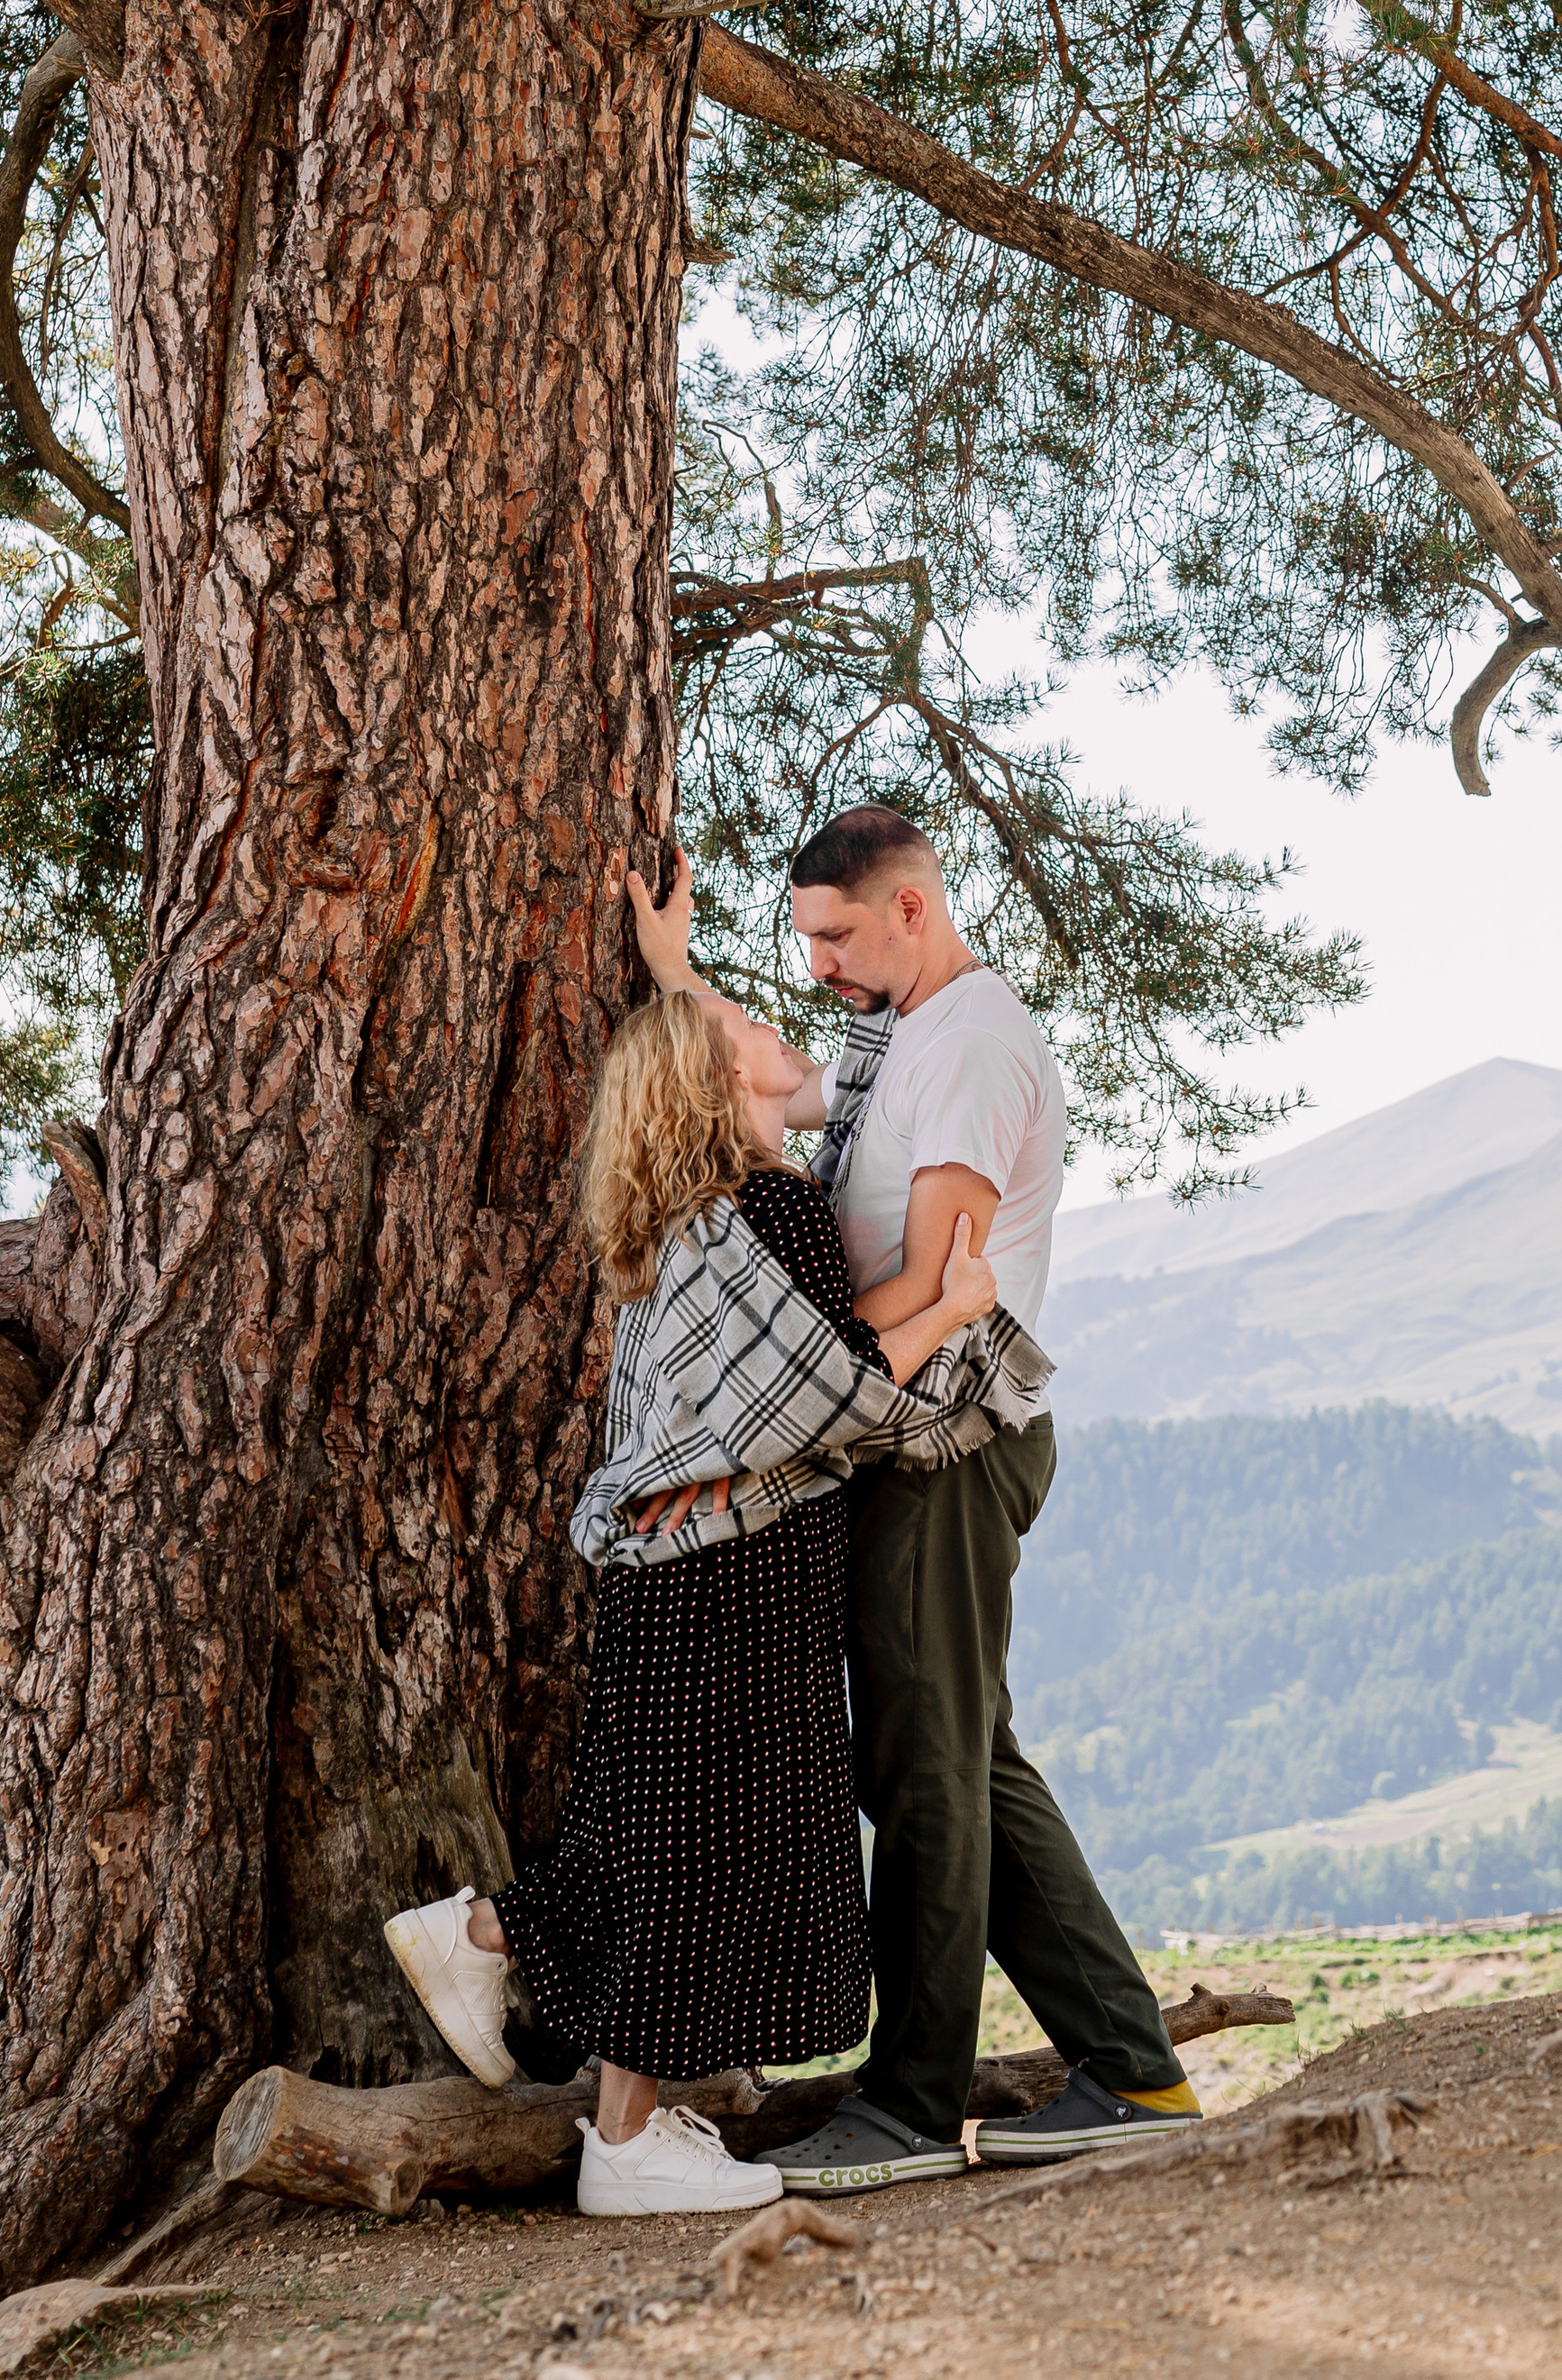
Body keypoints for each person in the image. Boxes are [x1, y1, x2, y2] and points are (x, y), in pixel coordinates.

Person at [380, 984, 1049, 2218]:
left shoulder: (688, 1225)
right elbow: (823, 1388)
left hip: (668, 1572)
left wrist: (670, 962)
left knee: (644, 1831)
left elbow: (789, 1359)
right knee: (703, 1849)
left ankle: (481, 1935)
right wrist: (955, 1310)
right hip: (739, 1575)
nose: (769, 1024)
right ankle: (627, 2142)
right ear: (716, 1087)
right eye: (742, 1029)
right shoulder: (775, 1213)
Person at [629, 809, 1199, 2187]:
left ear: (913, 912)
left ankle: (910, 2103)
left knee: (929, 1771)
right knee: (960, 1760)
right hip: (907, 1449)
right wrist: (677, 979)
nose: (814, 964)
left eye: (834, 935)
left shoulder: (969, 1053)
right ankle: (1132, 2073)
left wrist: (749, 1417)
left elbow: (939, 1301)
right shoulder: (910, 1039)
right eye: (802, 939)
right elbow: (768, 1084)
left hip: (946, 1449)